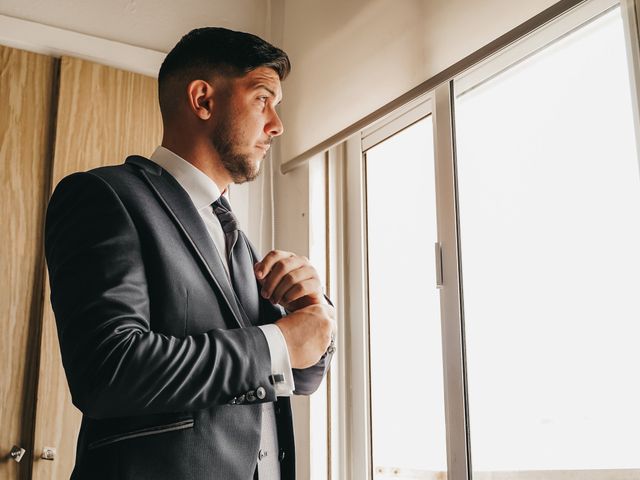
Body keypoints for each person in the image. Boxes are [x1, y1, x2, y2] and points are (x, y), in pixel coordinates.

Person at [44, 27, 336, 480]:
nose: (277, 124)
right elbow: (108, 370)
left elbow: (300, 376)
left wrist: (310, 310)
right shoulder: (104, 196)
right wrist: (277, 340)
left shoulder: (236, 238)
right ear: (203, 99)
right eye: (263, 99)